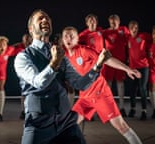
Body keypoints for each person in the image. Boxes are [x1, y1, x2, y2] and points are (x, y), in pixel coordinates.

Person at [14, 9, 109, 144]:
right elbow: (39, 83)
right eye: (40, 18)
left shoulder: (60, 56)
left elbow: (80, 83)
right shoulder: (23, 57)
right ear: (30, 29)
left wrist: (97, 65)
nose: (45, 20)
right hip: (39, 125)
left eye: (47, 18)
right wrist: (54, 62)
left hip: (66, 123)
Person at [62, 26, 143, 144]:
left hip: (100, 94)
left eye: (71, 36)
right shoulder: (63, 56)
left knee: (121, 126)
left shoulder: (84, 51)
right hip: (85, 97)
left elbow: (106, 59)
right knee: (68, 125)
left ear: (77, 39)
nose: (68, 38)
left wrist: (127, 69)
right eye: (66, 36)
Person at [102, 14, 130, 117]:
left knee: (120, 84)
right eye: (111, 21)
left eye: (115, 21)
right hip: (109, 61)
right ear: (109, 22)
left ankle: (121, 107)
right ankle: (109, 108)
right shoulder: (105, 32)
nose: (113, 23)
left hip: (120, 62)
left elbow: (131, 40)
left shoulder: (124, 30)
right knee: (108, 85)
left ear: (119, 21)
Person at [127, 20, 152, 120]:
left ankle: (144, 111)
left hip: (143, 67)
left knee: (142, 88)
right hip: (133, 68)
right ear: (129, 29)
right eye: (132, 27)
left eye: (136, 27)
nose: (134, 29)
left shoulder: (143, 36)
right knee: (133, 89)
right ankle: (132, 109)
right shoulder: (127, 38)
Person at [13, 33, 32, 119]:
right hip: (23, 73)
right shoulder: (18, 48)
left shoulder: (36, 47)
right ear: (23, 40)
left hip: (34, 73)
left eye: (29, 39)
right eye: (25, 39)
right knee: (24, 92)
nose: (27, 40)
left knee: (35, 93)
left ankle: (33, 111)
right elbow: (7, 50)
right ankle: (23, 111)